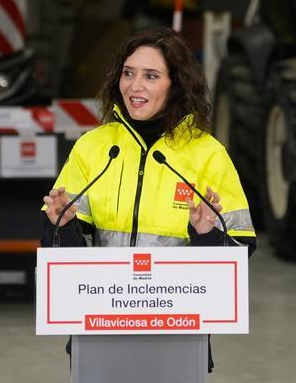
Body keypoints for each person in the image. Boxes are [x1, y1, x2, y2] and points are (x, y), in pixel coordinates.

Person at [41, 27, 257, 374]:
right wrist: (62, 226)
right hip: (101, 330)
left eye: (151, 76)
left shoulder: (207, 155)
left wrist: (206, 233)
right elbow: (60, 254)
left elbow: (238, 252)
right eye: (128, 73)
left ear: (176, 85)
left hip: (178, 336)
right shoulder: (95, 148)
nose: (134, 86)